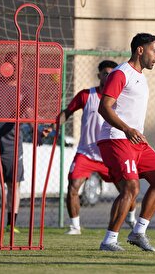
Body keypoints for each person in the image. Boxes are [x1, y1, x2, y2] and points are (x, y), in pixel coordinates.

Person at [97, 33, 155, 252]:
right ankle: (109, 240)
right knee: (131, 187)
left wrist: (137, 133)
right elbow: (104, 107)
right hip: (116, 138)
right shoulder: (121, 73)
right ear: (140, 50)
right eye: (154, 50)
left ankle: (139, 232)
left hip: (136, 140)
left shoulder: (142, 78)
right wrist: (127, 129)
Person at [0, 54, 49, 233]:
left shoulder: (25, 88)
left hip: (12, 145)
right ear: (4, 65)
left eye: (18, 65)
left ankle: (11, 224)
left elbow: (29, 114)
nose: (15, 67)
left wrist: (37, 130)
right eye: (12, 64)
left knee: (13, 184)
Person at [58, 60, 137, 235]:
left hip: (110, 154)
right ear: (99, 75)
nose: (108, 76)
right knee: (73, 186)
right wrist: (52, 128)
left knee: (128, 189)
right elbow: (67, 113)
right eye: (105, 73)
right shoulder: (87, 95)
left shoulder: (122, 98)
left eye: (111, 73)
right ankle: (75, 227)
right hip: (86, 152)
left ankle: (131, 218)